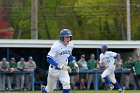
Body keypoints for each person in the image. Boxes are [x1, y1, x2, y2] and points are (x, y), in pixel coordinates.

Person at [41, 29, 79, 93]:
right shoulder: (56, 46)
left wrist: (74, 62)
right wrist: (59, 66)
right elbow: (49, 58)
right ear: (62, 38)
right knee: (50, 90)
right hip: (54, 70)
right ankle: (44, 89)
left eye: (69, 37)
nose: (69, 39)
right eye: (67, 37)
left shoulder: (70, 45)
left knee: (66, 84)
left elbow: (68, 55)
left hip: (63, 69)